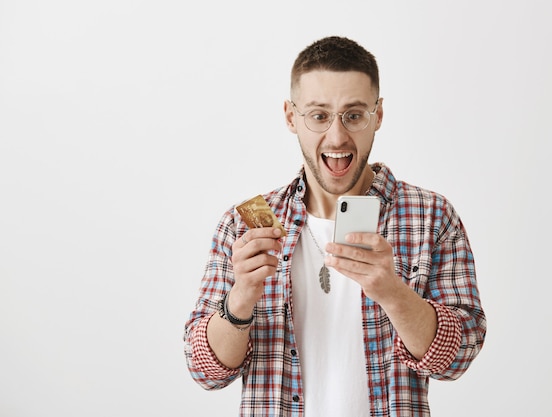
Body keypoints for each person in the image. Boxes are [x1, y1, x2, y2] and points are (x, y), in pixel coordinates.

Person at [184, 36, 487, 416]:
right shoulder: (244, 225)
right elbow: (204, 370)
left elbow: (458, 358)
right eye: (319, 115)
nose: (338, 136)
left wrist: (395, 294)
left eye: (354, 115)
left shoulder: (430, 216)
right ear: (291, 117)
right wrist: (242, 296)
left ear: (378, 115)